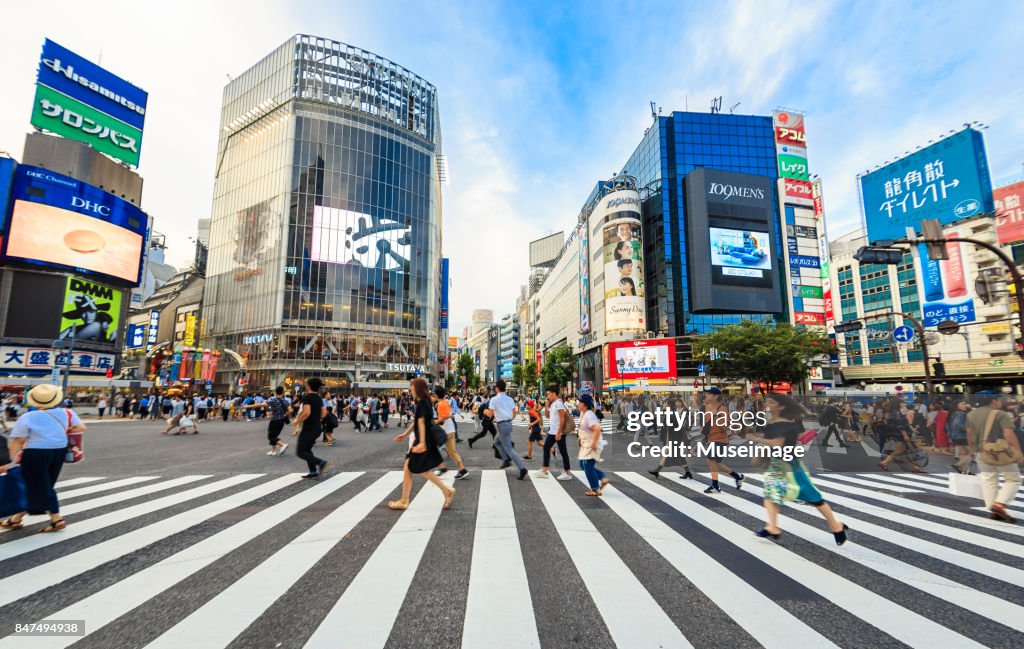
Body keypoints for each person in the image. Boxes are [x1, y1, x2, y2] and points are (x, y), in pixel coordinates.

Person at [755, 394, 848, 545]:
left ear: (781, 406)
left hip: (791, 465)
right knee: (771, 496)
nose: (767, 404)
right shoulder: (771, 423)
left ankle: (837, 526)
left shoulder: (789, 424)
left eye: (771, 402)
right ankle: (772, 527)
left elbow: (778, 443)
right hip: (776, 464)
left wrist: (757, 439)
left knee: (814, 498)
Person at [0, 384, 87, 533]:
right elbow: (81, 428)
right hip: (58, 452)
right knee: (39, 483)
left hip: (35, 453)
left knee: (40, 484)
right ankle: (16, 518)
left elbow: (19, 441)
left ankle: (56, 519)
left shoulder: (28, 416)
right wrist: (62, 430)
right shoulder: (67, 412)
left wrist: (5, 461)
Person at [389, 378, 456, 510]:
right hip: (424, 440)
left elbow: (420, 422)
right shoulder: (425, 402)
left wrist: (422, 443)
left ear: (418, 388)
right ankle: (446, 491)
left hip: (423, 441)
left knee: (411, 467)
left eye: (412, 388)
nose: (411, 390)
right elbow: (417, 421)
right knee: (421, 470)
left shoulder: (422, 403)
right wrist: (405, 434)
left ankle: (404, 500)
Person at [965, 395, 1022, 522]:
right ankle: (1000, 504)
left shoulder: (971, 415)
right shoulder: (1000, 414)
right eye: (999, 400)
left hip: (980, 451)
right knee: (1013, 479)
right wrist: (1018, 452)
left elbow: (968, 433)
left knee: (989, 478)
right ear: (994, 401)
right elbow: (1009, 434)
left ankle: (993, 509)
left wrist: (972, 449)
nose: (1001, 402)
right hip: (1000, 451)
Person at [700, 388, 744, 494]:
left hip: (720, 438)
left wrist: (717, 415)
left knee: (711, 460)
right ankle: (737, 476)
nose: (706, 396)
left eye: (709, 394)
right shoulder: (707, 407)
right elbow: (707, 422)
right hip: (711, 438)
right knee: (714, 462)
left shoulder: (722, 409)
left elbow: (726, 428)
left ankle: (715, 485)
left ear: (715, 396)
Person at [487, 380, 528, 480]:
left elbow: (490, 414)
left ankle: (522, 468)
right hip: (508, 423)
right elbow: (514, 412)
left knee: (509, 448)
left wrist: (485, 411)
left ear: (497, 388)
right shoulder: (510, 399)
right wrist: (509, 419)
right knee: (496, 442)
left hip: (502, 425)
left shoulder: (494, 400)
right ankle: (505, 460)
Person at [649, 397, 694, 480]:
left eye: (665, 403)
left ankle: (657, 471)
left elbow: (680, 428)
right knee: (676, 456)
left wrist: (686, 443)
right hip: (671, 438)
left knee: (668, 455)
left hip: (674, 439)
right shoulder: (670, 413)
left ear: (669, 404)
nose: (663, 404)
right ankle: (688, 473)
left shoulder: (672, 414)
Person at [291, 377, 329, 479]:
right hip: (317, 427)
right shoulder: (319, 398)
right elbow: (324, 413)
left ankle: (321, 463)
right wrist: (317, 418)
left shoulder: (307, 397)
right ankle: (313, 472)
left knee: (300, 452)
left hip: (309, 427)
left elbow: (307, 413)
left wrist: (297, 421)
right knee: (307, 450)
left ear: (309, 386)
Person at [535, 387, 574, 481]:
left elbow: (562, 419)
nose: (547, 396)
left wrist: (559, 432)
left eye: (548, 394)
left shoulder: (559, 404)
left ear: (554, 394)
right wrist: (547, 406)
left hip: (557, 432)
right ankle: (545, 470)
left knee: (562, 451)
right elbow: (548, 416)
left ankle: (567, 472)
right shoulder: (553, 404)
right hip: (552, 431)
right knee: (548, 448)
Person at [432, 386, 469, 480]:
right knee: (452, 451)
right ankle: (462, 469)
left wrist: (436, 421)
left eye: (434, 393)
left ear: (436, 395)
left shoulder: (441, 404)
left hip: (444, 431)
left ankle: (442, 467)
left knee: (433, 449)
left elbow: (445, 416)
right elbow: (448, 415)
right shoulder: (445, 402)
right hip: (451, 430)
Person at [577, 394, 608, 496]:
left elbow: (597, 429)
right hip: (587, 443)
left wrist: (593, 443)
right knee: (583, 464)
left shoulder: (589, 415)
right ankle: (602, 477)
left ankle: (595, 489)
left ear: (585, 404)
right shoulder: (584, 413)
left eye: (580, 402)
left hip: (592, 444)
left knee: (587, 466)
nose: (578, 403)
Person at [265, 386, 291, 456]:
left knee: (271, 436)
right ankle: (273, 451)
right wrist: (285, 415)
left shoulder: (273, 400)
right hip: (281, 420)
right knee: (274, 435)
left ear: (275, 392)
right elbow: (290, 410)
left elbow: (261, 404)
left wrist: (246, 406)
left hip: (274, 420)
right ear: (283, 392)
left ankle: (283, 445)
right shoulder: (285, 401)